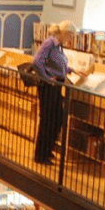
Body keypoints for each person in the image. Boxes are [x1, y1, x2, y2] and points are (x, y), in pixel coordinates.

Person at [32, 21, 75, 165]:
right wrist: (47, 78)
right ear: (63, 32)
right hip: (48, 86)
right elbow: (37, 61)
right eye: (70, 34)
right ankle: (40, 155)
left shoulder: (58, 45)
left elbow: (55, 64)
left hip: (56, 85)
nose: (71, 38)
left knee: (56, 119)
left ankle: (47, 150)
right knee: (48, 119)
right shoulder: (50, 42)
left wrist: (70, 70)